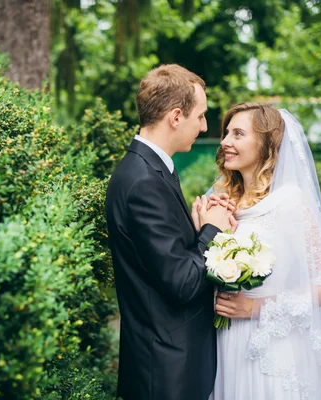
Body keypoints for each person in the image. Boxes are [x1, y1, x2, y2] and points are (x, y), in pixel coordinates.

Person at [200, 102, 321, 399]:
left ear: (266, 144)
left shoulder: (290, 202)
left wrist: (254, 307)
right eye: (227, 133)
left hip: (269, 343)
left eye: (238, 134)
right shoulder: (221, 200)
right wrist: (201, 226)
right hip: (225, 340)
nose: (225, 142)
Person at [105, 64, 236, 400]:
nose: (205, 126)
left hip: (170, 360)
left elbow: (161, 261)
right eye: (201, 116)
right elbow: (181, 283)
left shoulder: (152, 168)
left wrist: (194, 231)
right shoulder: (144, 181)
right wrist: (211, 230)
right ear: (176, 116)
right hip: (165, 369)